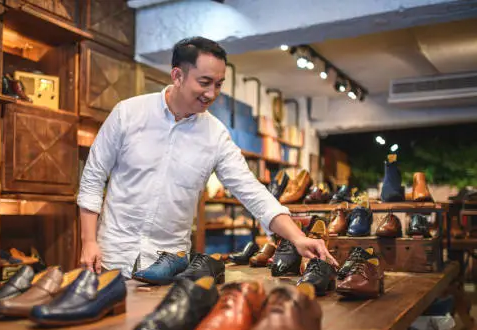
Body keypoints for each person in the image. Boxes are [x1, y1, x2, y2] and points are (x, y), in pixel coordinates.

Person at [77, 36, 336, 276]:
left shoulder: (215, 136)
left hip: (168, 265)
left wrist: (297, 238)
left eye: (219, 84)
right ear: (177, 75)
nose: (212, 94)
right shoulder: (128, 114)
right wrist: (89, 241)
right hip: (111, 256)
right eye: (204, 83)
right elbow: (92, 177)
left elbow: (252, 192)